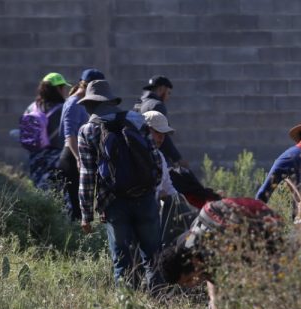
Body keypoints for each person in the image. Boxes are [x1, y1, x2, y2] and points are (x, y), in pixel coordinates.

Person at [77, 80, 163, 289]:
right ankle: (160, 302)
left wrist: (86, 215)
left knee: (122, 262)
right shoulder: (136, 120)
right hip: (145, 198)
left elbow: (87, 176)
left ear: (90, 105)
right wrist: (151, 188)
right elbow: (156, 159)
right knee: (153, 258)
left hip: (114, 203)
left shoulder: (88, 131)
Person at [158, 198, 283, 309]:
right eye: (185, 284)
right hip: (234, 223)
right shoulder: (185, 246)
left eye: (189, 280)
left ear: (193, 262)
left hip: (264, 222)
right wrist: (215, 303)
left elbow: (244, 279)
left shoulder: (218, 248)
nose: (191, 285)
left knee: (275, 284)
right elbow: (209, 273)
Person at [142, 111, 197, 245]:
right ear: (147, 131)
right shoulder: (138, 154)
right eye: (158, 134)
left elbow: (168, 186)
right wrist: (157, 193)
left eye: (163, 135)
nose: (161, 138)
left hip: (153, 213)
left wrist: (180, 201)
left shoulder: (160, 157)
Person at [57, 68, 105, 220]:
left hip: (78, 155)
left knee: (81, 203)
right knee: (77, 206)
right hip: (72, 157)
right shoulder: (73, 103)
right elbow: (69, 134)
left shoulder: (81, 102)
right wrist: (78, 158)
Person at [22, 72, 70, 190]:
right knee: (59, 194)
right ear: (58, 88)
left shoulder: (32, 107)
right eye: (63, 87)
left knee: (39, 192)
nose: (64, 91)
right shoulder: (64, 109)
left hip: (35, 159)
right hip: (56, 159)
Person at [133, 75, 188, 168]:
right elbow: (162, 135)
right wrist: (177, 159)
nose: (168, 98)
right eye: (168, 93)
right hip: (154, 157)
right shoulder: (157, 105)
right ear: (161, 89)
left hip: (138, 156)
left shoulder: (138, 104)